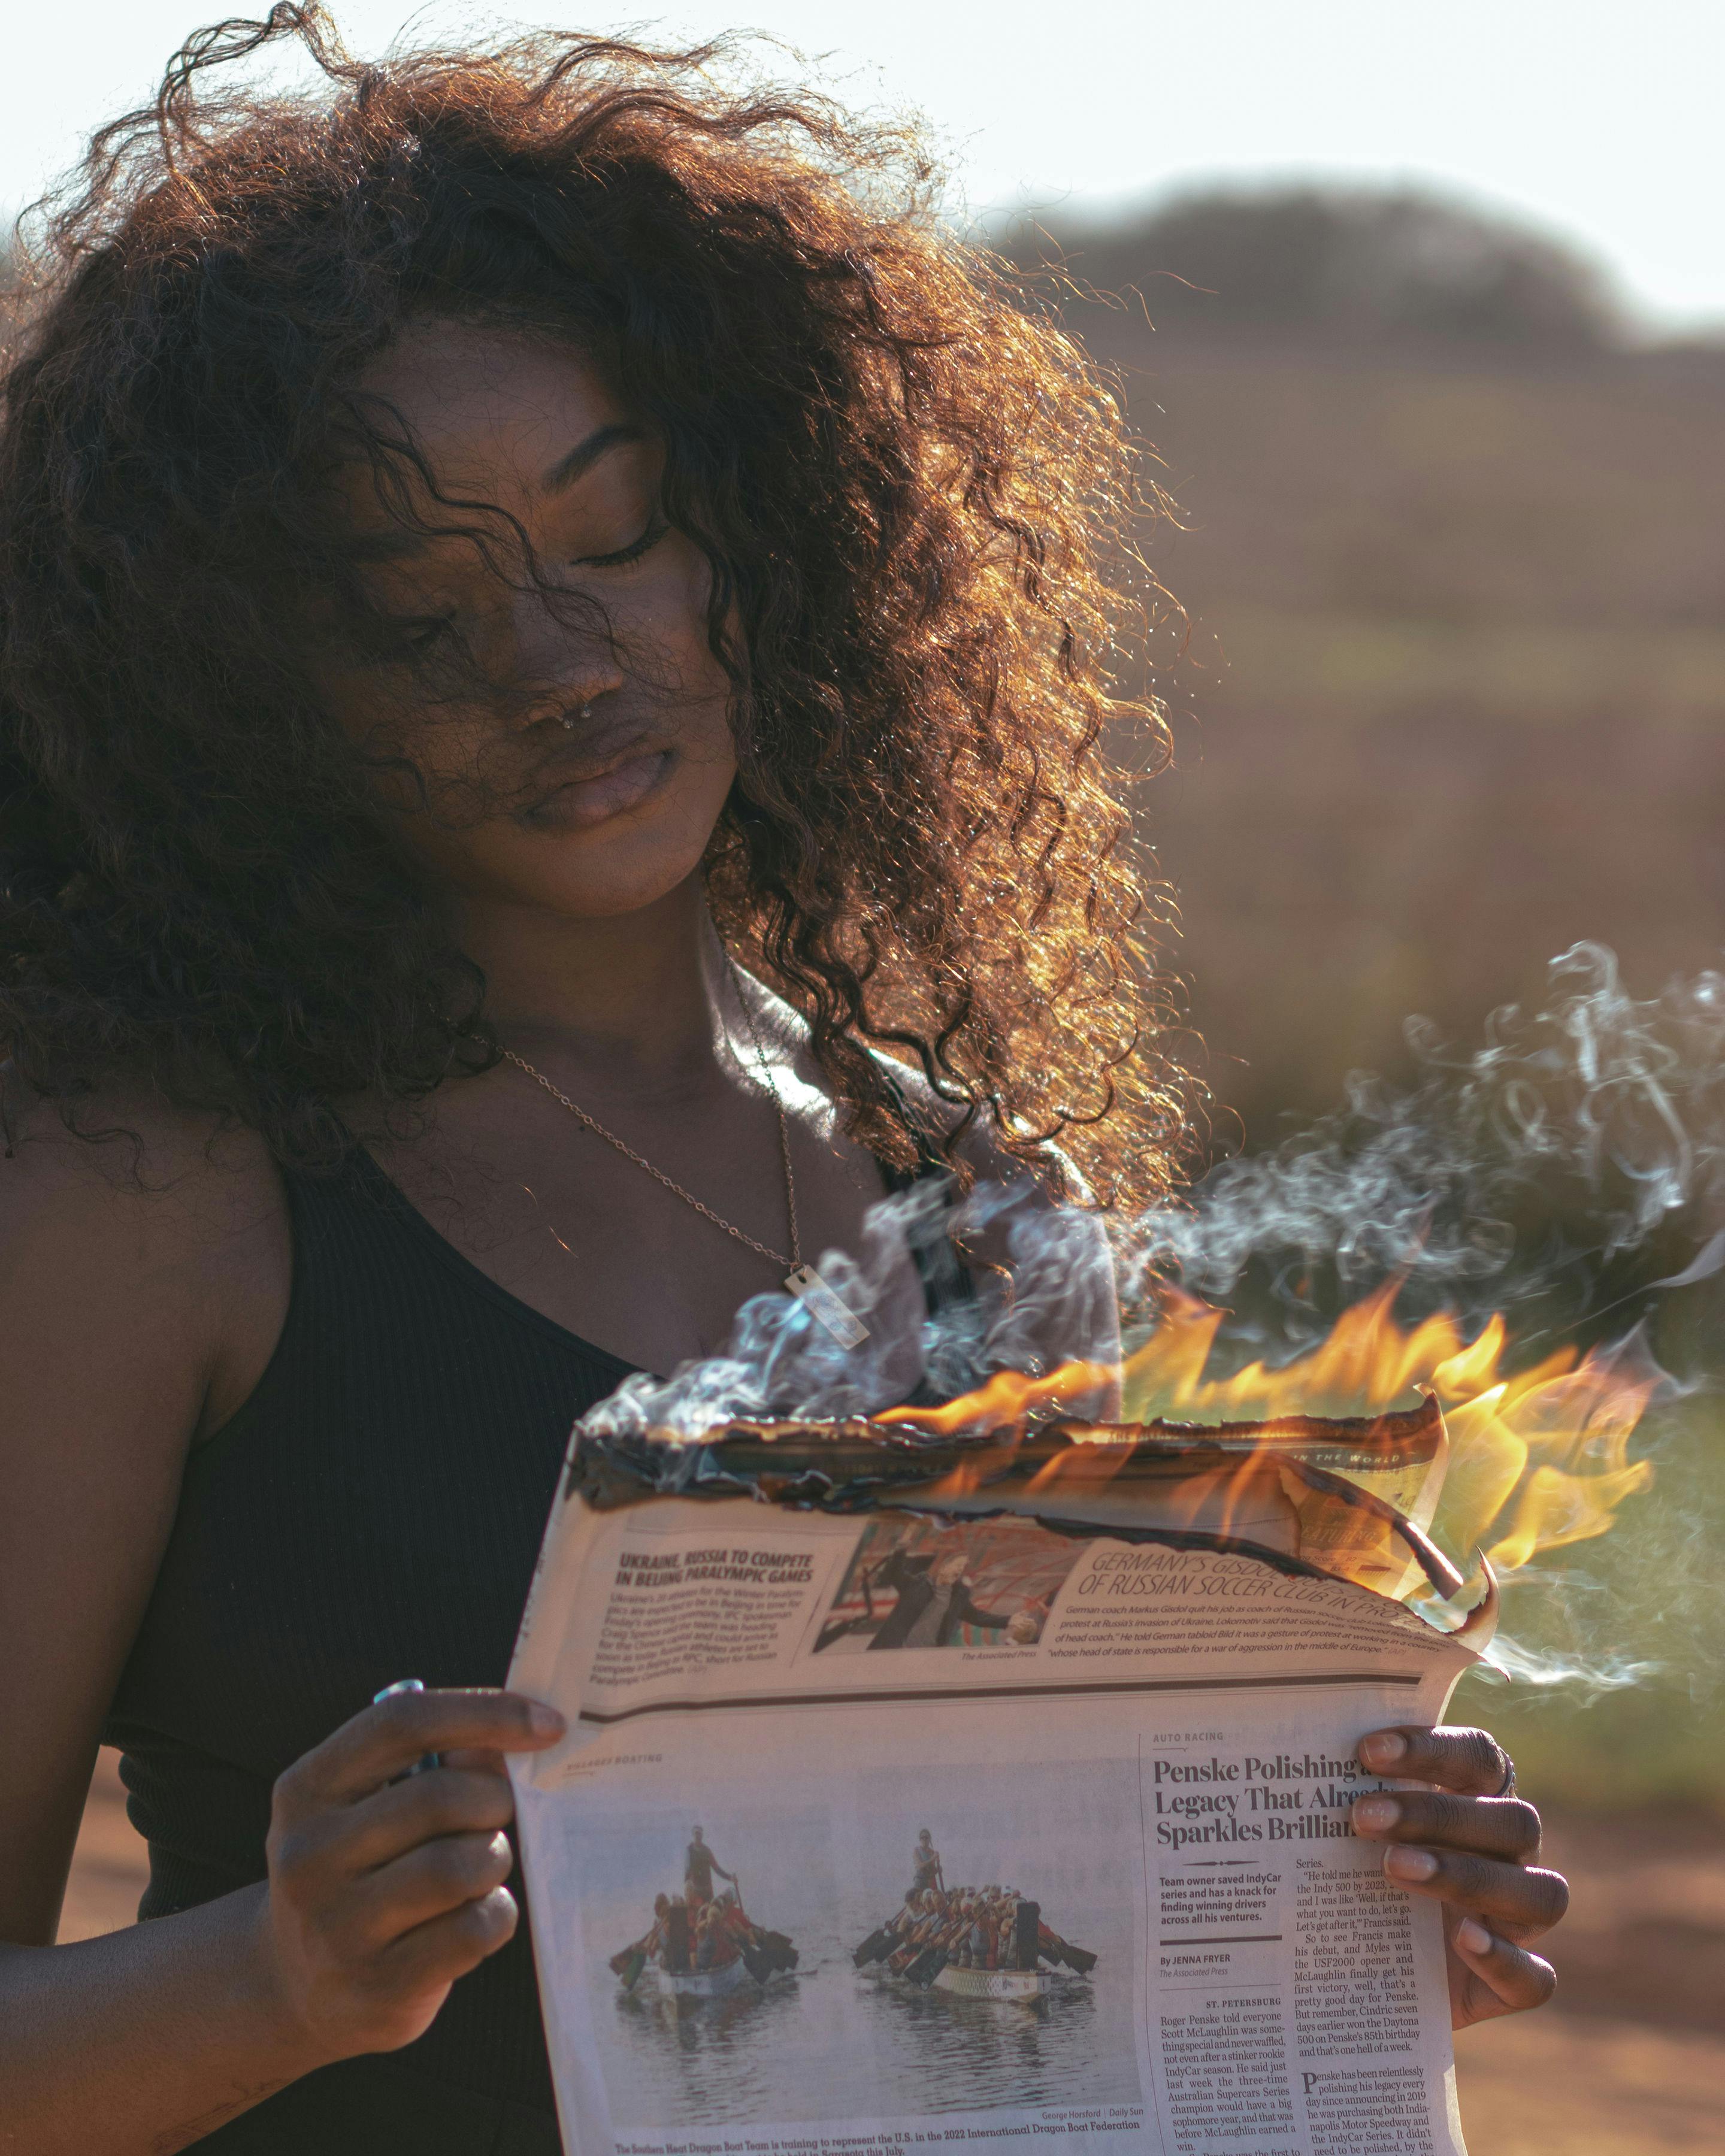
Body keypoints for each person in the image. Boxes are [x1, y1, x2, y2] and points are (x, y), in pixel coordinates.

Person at [0, 12, 1567, 2153]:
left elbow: (1052, 2023)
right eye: (415, 616)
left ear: (764, 524)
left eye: (617, 532)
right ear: (238, 691)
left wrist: (1338, 1929)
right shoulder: (147, 1201)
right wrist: (269, 1984)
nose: (556, 664)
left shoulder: (986, 1206)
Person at [683, 1828, 735, 1910]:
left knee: (711, 1912)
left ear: (702, 1836)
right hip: (695, 1891)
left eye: (699, 1834)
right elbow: (687, 1870)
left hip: (707, 1891)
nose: (698, 1836)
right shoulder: (689, 1850)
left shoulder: (707, 1851)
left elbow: (716, 1868)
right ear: (693, 1835)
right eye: (696, 1834)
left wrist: (730, 1877)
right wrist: (687, 1889)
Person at [911, 1831, 945, 1898]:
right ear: (920, 1839)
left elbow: (932, 1871)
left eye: (926, 1837)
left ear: (929, 1839)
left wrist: (938, 1869)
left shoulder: (932, 1852)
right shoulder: (916, 1850)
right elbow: (920, 1866)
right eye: (922, 1838)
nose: (924, 1839)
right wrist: (933, 1858)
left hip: (931, 1883)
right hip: (920, 1882)